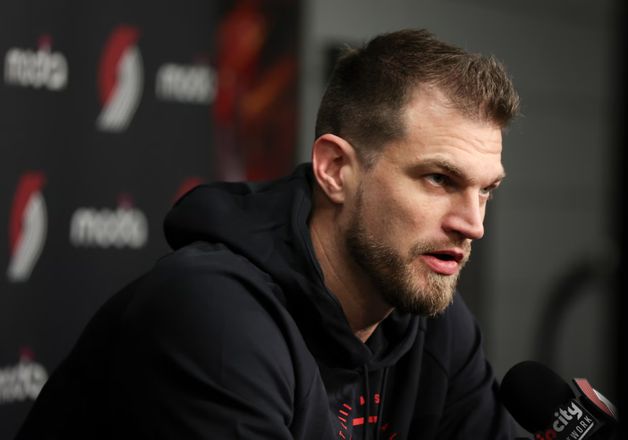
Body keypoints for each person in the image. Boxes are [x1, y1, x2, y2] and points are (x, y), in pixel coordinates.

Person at [15, 28, 520, 439]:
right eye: (440, 179)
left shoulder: (432, 320)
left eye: (486, 191)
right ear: (335, 170)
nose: (472, 224)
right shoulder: (213, 313)